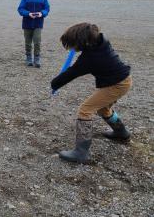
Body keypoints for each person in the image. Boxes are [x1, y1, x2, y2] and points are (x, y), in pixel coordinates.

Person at [51, 23, 132, 164]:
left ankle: (81, 152)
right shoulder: (101, 41)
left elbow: (72, 73)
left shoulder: (90, 58)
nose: (71, 48)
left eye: (72, 45)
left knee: (85, 109)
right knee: (103, 108)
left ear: (82, 42)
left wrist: (54, 84)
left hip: (116, 85)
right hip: (123, 80)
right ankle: (121, 133)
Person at [18, 0, 50, 68]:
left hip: (38, 23)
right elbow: (20, 9)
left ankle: (36, 58)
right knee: (28, 42)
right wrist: (28, 14)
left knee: (37, 41)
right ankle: (28, 58)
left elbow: (47, 8)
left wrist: (42, 13)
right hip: (27, 23)